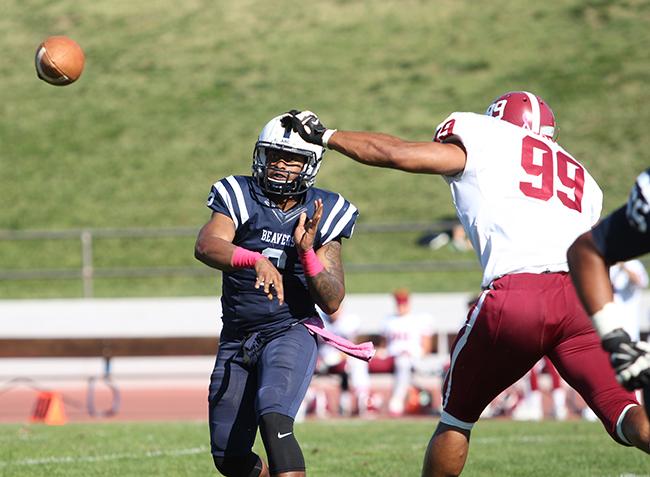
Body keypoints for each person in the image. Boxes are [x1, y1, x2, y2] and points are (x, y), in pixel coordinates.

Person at [282, 95, 650, 476]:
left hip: (520, 292)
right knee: (624, 409)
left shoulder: (488, 138)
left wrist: (326, 136)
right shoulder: (581, 176)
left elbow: (398, 153)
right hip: (579, 299)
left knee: (457, 417)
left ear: (499, 120)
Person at [194, 111, 361, 477]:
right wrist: (253, 259)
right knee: (229, 458)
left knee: (273, 417)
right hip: (238, 337)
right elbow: (207, 245)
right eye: (275, 156)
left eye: (293, 159)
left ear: (310, 164)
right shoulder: (238, 194)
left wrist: (306, 253)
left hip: (290, 330)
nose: (281, 166)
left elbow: (332, 299)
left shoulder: (323, 210)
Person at [567, 169, 650, 410]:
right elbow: (586, 252)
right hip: (617, 328)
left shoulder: (629, 264)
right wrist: (615, 339)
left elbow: (638, 280)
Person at [383, 288, 434, 416]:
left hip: (415, 358)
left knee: (403, 362)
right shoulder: (389, 320)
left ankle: (397, 401)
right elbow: (384, 345)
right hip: (392, 358)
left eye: (403, 303)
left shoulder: (418, 319)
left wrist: (416, 354)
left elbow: (426, 347)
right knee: (401, 362)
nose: (401, 307)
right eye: (399, 304)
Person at [610, 260, 648, 341]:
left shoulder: (634, 263)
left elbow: (640, 282)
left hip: (629, 326)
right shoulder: (609, 265)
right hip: (612, 325)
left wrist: (623, 267)